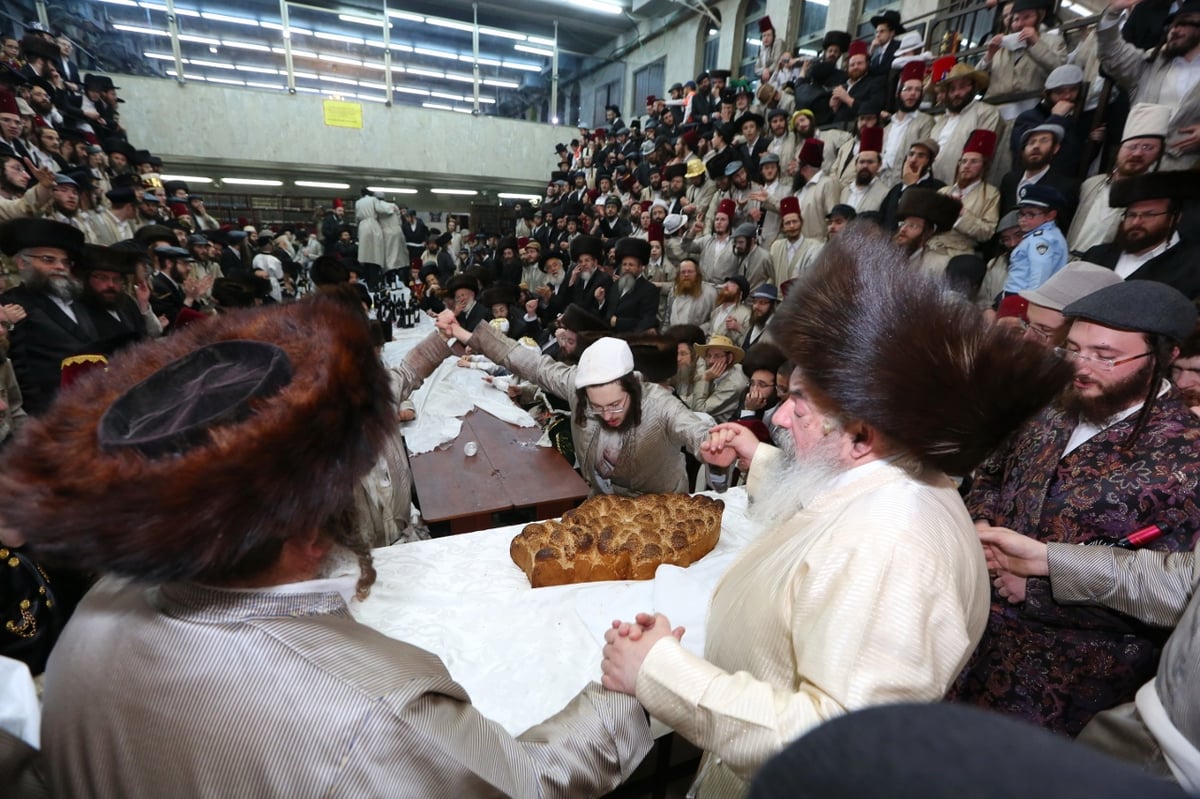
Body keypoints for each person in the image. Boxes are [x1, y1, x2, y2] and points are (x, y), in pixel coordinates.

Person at [0, 295, 653, 797]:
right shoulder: (377, 706)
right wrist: (625, 693)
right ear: (311, 520)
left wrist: (438, 339)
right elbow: (528, 780)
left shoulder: (87, 627)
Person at [599, 226, 1073, 797]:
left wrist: (659, 672)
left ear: (860, 433)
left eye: (798, 402)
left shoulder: (893, 547)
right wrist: (759, 459)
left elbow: (840, 743)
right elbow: (831, 502)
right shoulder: (897, 478)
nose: (778, 417)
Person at [951, 280, 1200, 736]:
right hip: (970, 636)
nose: (1081, 367)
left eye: (1105, 356)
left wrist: (1038, 589)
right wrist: (983, 522)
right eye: (1072, 349)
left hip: (1069, 687)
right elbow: (991, 469)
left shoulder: (1188, 453)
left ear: (1163, 356)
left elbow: (1182, 593)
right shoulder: (1049, 404)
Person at [437, 310, 712, 496]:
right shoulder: (575, 386)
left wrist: (712, 446)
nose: (607, 415)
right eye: (597, 408)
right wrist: (461, 333)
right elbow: (526, 361)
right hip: (603, 503)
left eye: (616, 405)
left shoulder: (660, 403)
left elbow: (695, 431)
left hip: (662, 508)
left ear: (633, 386)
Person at [1079, 171, 1200, 300]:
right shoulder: (1096, 256)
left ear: (1174, 219)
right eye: (1131, 215)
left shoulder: (1193, 265)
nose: (1136, 222)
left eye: (1149, 215)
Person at [1068, 103, 1169, 254]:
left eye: (1148, 148)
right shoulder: (1091, 184)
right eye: (1132, 146)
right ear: (1119, 149)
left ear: (1158, 155)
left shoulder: (1150, 198)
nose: (1137, 154)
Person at [1002, 183, 1069, 295]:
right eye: (1021, 214)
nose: (1023, 219)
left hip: (1022, 296)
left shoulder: (1041, 239)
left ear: (1050, 215)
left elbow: (1040, 271)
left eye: (1030, 214)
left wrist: (1032, 299)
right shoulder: (1048, 234)